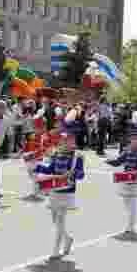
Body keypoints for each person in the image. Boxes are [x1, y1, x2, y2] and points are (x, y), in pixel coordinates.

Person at [34, 108, 86, 259]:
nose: (65, 140)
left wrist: (73, 174)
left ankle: (55, 251)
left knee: (60, 220)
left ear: (73, 140)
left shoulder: (78, 156)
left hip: (67, 192)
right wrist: (38, 166)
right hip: (54, 190)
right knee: (55, 221)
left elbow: (81, 175)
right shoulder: (56, 153)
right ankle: (68, 239)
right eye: (63, 138)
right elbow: (50, 169)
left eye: (68, 139)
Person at [105, 114, 137, 236]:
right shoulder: (127, 149)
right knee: (126, 203)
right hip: (125, 179)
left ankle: (131, 226)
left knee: (133, 203)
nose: (135, 140)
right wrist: (108, 161)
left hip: (135, 180)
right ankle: (130, 223)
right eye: (133, 138)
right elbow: (119, 161)